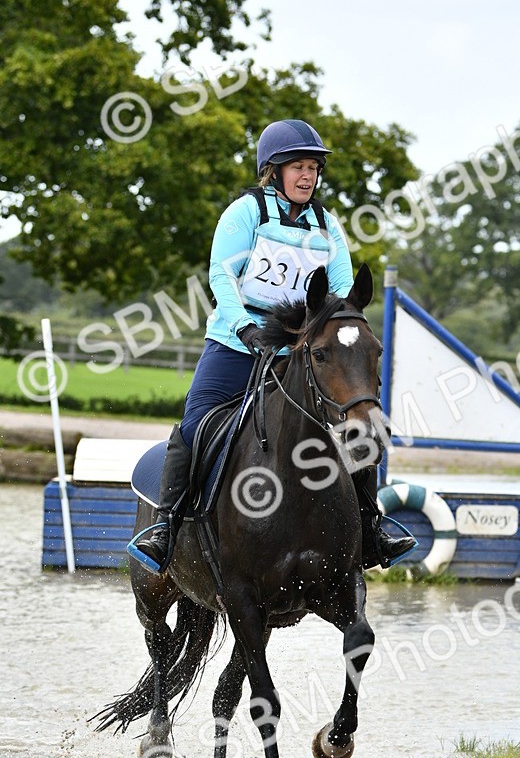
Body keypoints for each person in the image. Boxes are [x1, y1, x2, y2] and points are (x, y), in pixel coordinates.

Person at [131, 118, 414, 572]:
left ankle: (371, 526)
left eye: (313, 168)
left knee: (360, 426)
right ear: (274, 170)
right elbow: (222, 275)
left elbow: (340, 286)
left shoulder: (326, 225)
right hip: (235, 344)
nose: (307, 176)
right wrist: (243, 327)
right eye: (298, 167)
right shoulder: (245, 214)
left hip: (299, 353)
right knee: (192, 427)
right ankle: (165, 527)